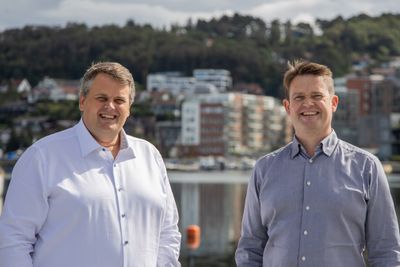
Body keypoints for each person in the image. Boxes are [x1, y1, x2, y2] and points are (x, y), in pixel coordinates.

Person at [0, 62, 181, 266]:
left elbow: (167, 234)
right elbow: (13, 240)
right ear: (82, 101)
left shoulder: (150, 156)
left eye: (119, 100)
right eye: (102, 98)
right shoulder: (41, 157)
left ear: (129, 109)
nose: (110, 106)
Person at [235, 60, 400, 266]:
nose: (308, 104)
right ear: (288, 106)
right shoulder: (264, 169)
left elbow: (386, 252)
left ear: (333, 103)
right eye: (299, 97)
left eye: (317, 96)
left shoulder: (367, 167)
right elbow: (250, 249)